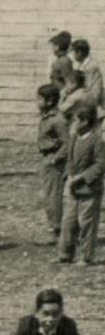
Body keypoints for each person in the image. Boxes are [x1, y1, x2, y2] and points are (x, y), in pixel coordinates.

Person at [60, 102, 103, 266]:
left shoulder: (96, 140)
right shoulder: (74, 138)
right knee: (68, 220)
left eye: (75, 121)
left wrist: (83, 177)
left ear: (85, 121)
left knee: (86, 222)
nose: (73, 124)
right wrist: (68, 175)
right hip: (71, 187)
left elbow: (100, 165)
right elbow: (70, 160)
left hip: (89, 189)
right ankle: (65, 254)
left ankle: (86, 256)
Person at [37, 83, 71, 243]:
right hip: (46, 159)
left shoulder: (58, 120)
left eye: (40, 99)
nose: (37, 102)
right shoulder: (47, 116)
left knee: (53, 197)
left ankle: (56, 230)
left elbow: (67, 143)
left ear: (50, 101)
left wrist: (55, 158)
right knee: (48, 195)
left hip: (53, 161)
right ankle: (54, 227)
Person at [73, 39, 105, 115]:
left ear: (79, 52)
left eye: (73, 52)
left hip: (92, 105)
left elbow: (90, 89)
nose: (72, 55)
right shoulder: (82, 65)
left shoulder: (91, 67)